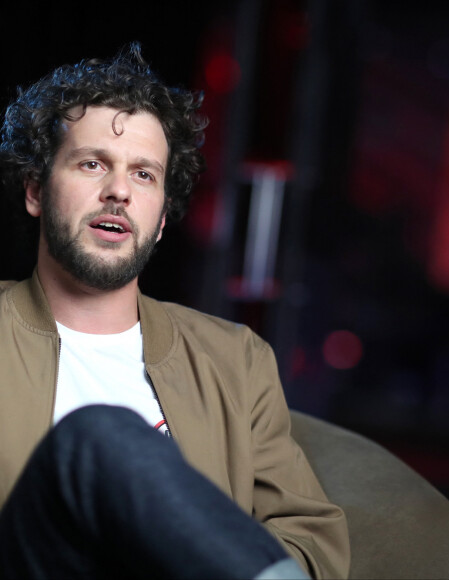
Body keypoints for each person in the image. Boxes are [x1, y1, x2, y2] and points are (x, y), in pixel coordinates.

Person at [0, 43, 350, 579]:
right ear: (35, 190)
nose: (118, 190)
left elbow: (310, 546)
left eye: (144, 175)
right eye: (92, 164)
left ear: (161, 218)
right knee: (101, 434)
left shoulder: (235, 359)